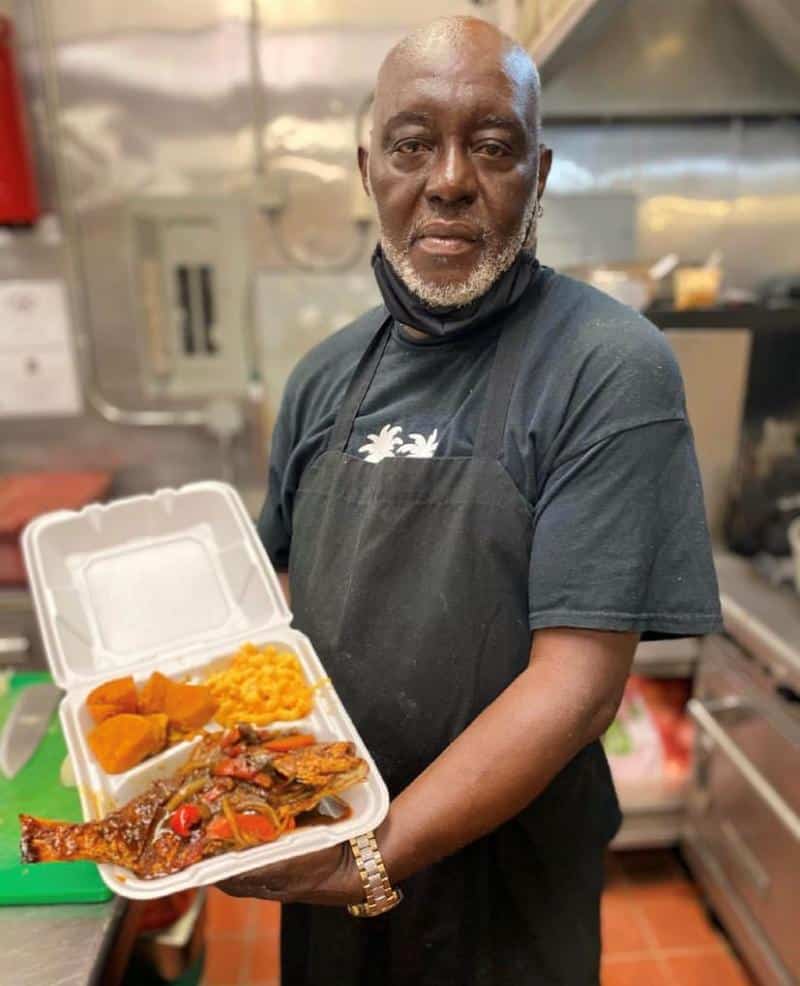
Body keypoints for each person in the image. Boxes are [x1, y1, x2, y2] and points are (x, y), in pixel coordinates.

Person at [220, 15, 721, 985]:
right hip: (330, 844)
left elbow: (574, 685)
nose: (448, 179)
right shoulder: (324, 377)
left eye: (490, 147)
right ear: (368, 167)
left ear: (535, 173)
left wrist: (372, 853)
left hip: (504, 897)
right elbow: (274, 599)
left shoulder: (605, 366)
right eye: (413, 144)